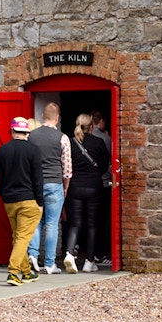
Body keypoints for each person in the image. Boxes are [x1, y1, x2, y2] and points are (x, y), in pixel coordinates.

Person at [0, 117, 44, 286]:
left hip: (10, 200)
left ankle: (26, 272)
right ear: (27, 133)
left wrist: (4, 194)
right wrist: (40, 201)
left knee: (18, 237)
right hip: (29, 199)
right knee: (23, 238)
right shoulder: (33, 150)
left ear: (12, 132)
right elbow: (38, 179)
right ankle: (13, 272)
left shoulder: (2, 150)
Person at [27, 102, 72, 274]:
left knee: (36, 221)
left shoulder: (32, 136)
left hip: (35, 183)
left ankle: (32, 254)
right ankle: (49, 264)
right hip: (55, 183)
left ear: (42, 117)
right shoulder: (62, 137)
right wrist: (65, 187)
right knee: (52, 224)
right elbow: (67, 169)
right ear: (57, 118)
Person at [63, 113, 110, 274]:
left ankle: (69, 253)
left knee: (75, 223)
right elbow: (104, 166)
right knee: (92, 224)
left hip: (75, 186)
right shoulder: (98, 142)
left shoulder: (69, 142)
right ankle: (90, 261)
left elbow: (65, 164)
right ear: (91, 126)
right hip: (94, 187)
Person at [89, 109, 113, 263]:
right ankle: (100, 253)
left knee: (86, 220)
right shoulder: (104, 139)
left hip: (83, 184)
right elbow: (108, 162)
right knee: (102, 220)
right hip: (102, 183)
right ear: (102, 121)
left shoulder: (80, 139)